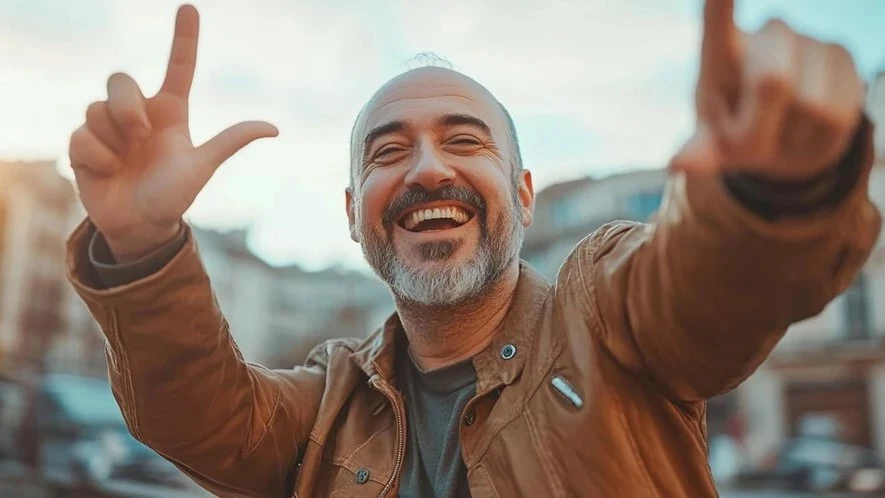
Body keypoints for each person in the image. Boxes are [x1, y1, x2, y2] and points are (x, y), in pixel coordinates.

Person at [64, 1, 880, 497]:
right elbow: (196, 417)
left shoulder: (604, 316)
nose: (426, 168)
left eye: (463, 140)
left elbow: (703, 288)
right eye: (387, 152)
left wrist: (777, 191)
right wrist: (138, 244)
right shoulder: (323, 405)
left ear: (522, 195)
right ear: (355, 216)